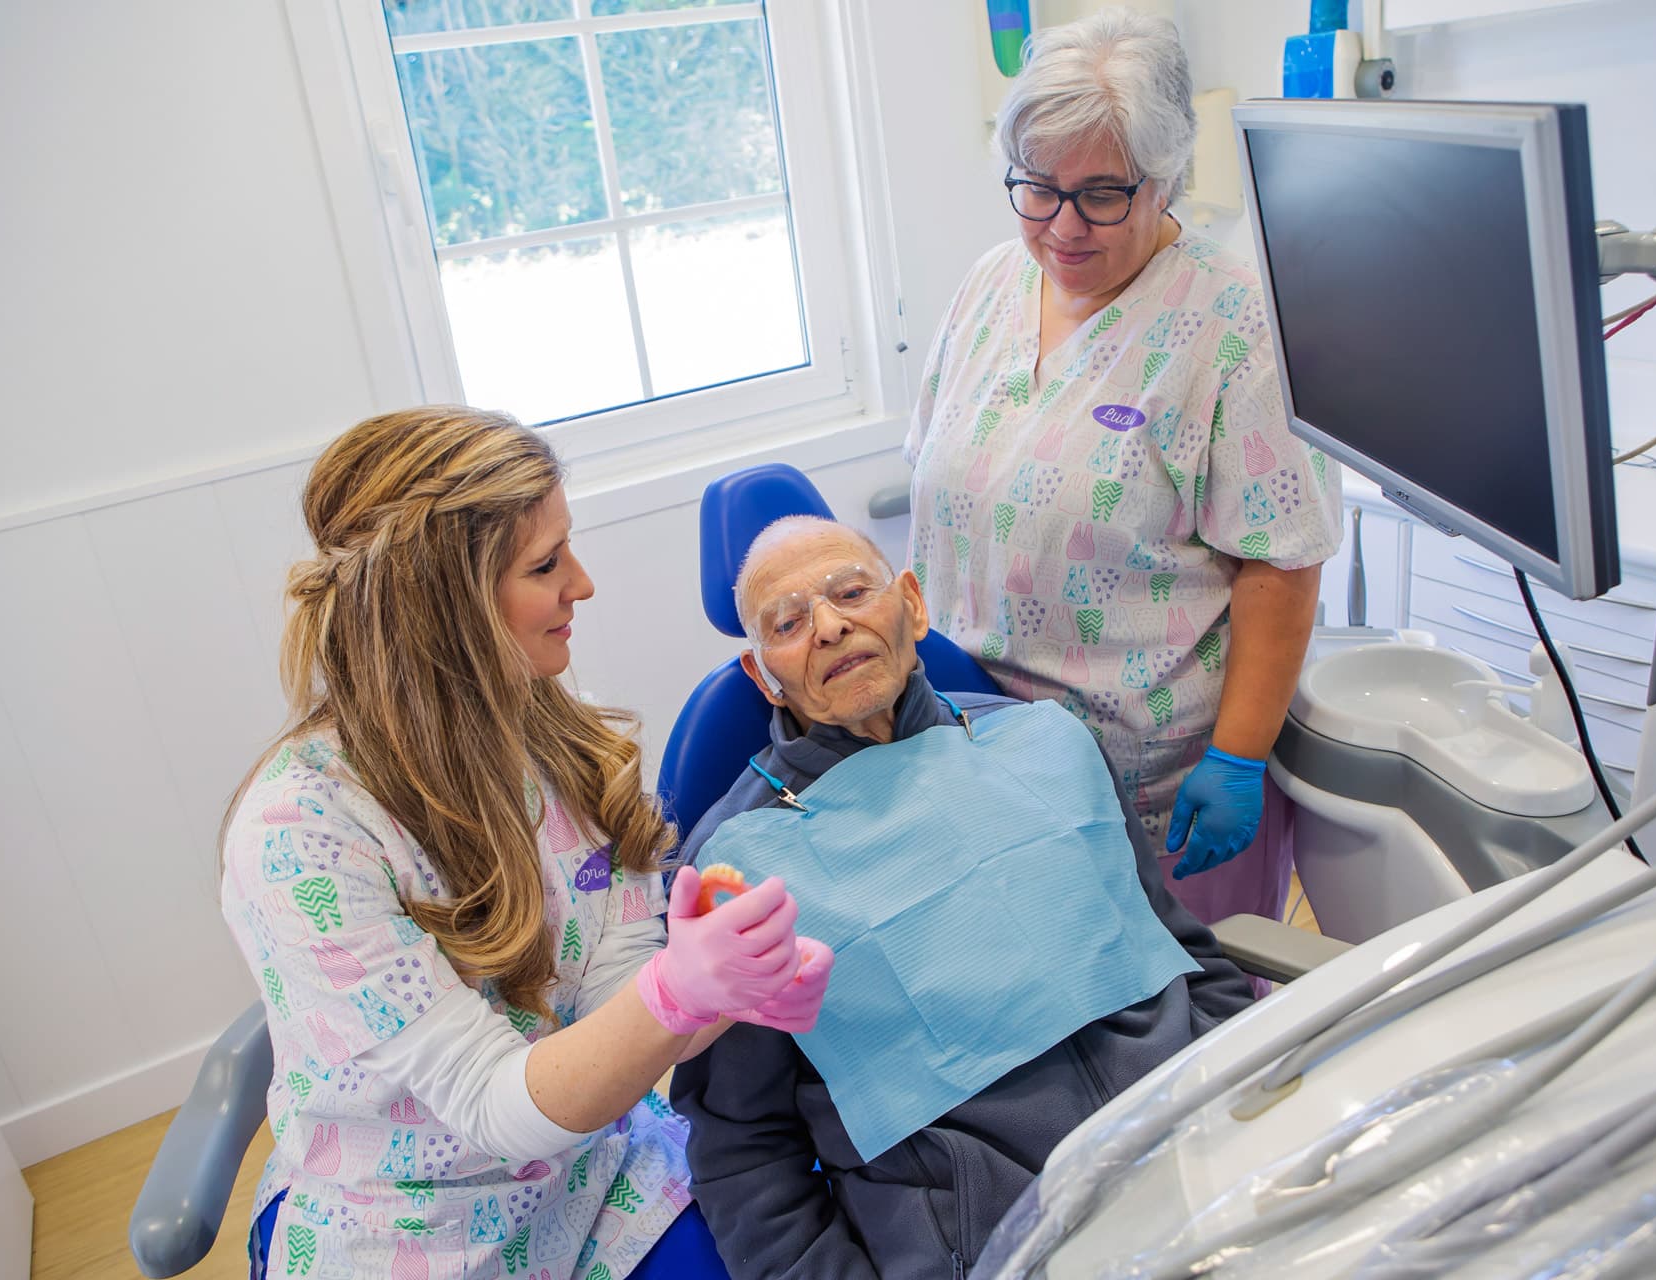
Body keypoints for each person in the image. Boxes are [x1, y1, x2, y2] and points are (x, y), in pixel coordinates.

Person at [218, 407, 831, 1280]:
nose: (581, 584)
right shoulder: (301, 835)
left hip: (591, 1179)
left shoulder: (550, 739)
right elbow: (492, 1106)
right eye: (545, 565)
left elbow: (624, 1006)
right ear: (443, 606)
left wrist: (729, 990)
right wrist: (676, 993)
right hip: (404, 1231)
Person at [669, 516, 1255, 1280]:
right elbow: (742, 1150)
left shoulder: (1046, 741)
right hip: (998, 1235)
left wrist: (1264, 1088)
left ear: (911, 604)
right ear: (762, 674)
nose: (831, 626)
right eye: (788, 622)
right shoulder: (739, 869)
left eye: (851, 591)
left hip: (1205, 1146)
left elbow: (1181, 949)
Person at [904, 10, 1344, 926]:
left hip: (1152, 790)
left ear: (1168, 176)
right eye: (1037, 188)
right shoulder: (990, 284)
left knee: (1185, 1036)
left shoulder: (1233, 328)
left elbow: (1282, 560)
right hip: (974, 755)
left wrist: (1239, 758)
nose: (1064, 225)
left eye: (1103, 193)